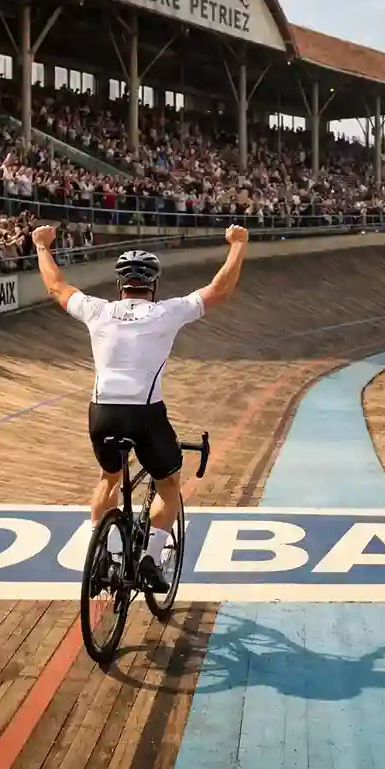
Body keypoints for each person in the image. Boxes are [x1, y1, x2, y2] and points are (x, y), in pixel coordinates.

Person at [32, 222, 250, 593]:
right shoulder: (167, 312)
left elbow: (56, 286)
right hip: (145, 413)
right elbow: (220, 290)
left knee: (109, 477)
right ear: (154, 285)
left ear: (120, 286)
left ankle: (107, 555)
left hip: (102, 412)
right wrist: (238, 245)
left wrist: (40, 245)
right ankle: (149, 557)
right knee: (168, 484)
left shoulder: (98, 311)